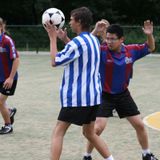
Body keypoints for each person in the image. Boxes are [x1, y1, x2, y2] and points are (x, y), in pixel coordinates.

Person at [44, 7, 114, 160]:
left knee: (58, 132)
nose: (69, 22)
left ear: (79, 21)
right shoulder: (93, 39)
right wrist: (65, 40)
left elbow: (55, 61)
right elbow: (80, 52)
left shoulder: (78, 42)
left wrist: (52, 38)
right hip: (93, 97)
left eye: (71, 19)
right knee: (89, 133)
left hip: (77, 97)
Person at [83, 20, 158, 160]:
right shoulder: (101, 51)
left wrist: (149, 35)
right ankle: (87, 156)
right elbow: (85, 47)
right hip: (104, 95)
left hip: (123, 94)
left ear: (121, 39)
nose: (109, 42)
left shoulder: (131, 51)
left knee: (140, 125)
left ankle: (146, 154)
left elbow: (150, 47)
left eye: (112, 39)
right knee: (97, 129)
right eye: (107, 38)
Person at [0, 17, 18, 134]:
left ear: (1, 27)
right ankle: (9, 111)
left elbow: (16, 60)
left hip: (9, 79)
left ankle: (8, 126)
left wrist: (10, 78)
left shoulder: (7, 41)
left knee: (0, 101)